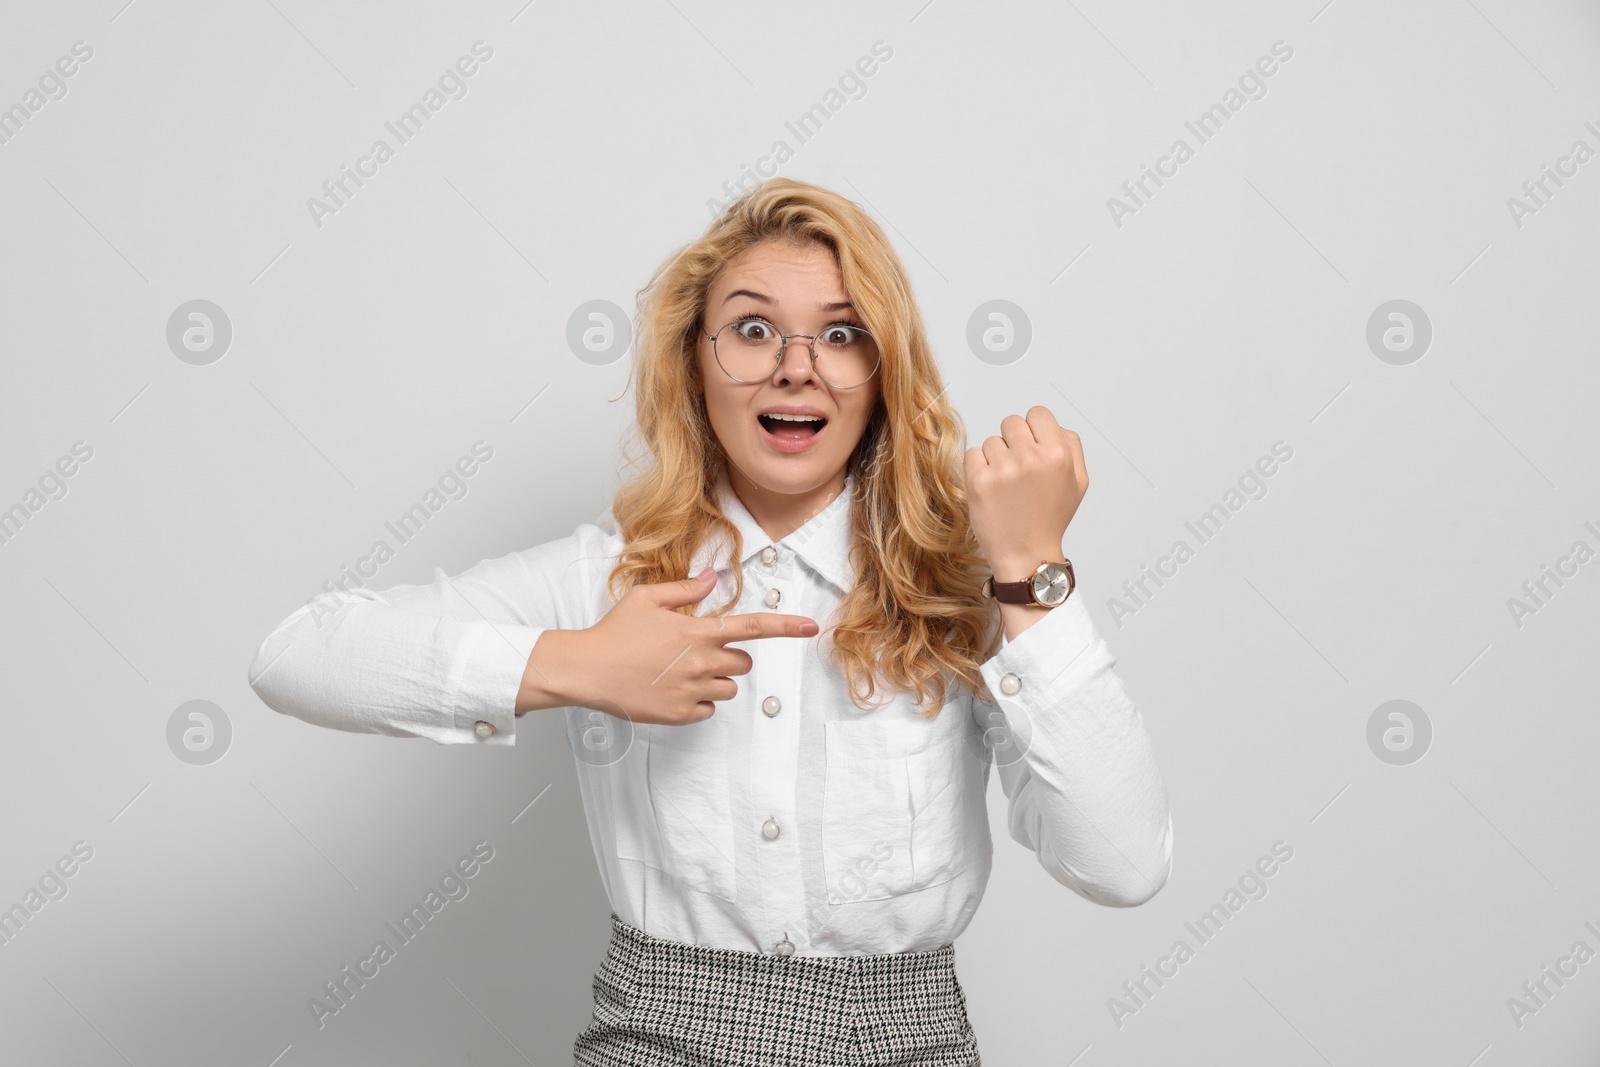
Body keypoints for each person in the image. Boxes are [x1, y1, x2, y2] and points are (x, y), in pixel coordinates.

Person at [247, 177, 1173, 1066]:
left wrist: (1029, 568)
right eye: (754, 328)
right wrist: (576, 664)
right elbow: (299, 654)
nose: (797, 367)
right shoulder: (607, 580)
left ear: (883, 372)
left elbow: (1122, 865)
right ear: (695, 361)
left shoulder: (958, 590)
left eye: (842, 334)